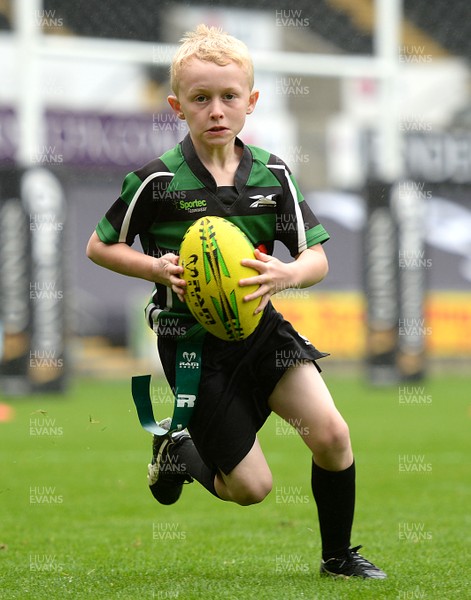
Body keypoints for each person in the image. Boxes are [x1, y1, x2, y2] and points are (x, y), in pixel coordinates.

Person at [86, 24, 386, 580]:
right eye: (200, 99)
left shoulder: (274, 175)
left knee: (332, 434)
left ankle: (338, 557)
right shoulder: (155, 181)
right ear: (178, 106)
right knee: (251, 489)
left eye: (229, 97)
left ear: (251, 101)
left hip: (261, 334)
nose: (216, 110)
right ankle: (176, 452)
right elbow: (99, 246)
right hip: (196, 351)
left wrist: (287, 273)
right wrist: (154, 267)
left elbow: (317, 259)